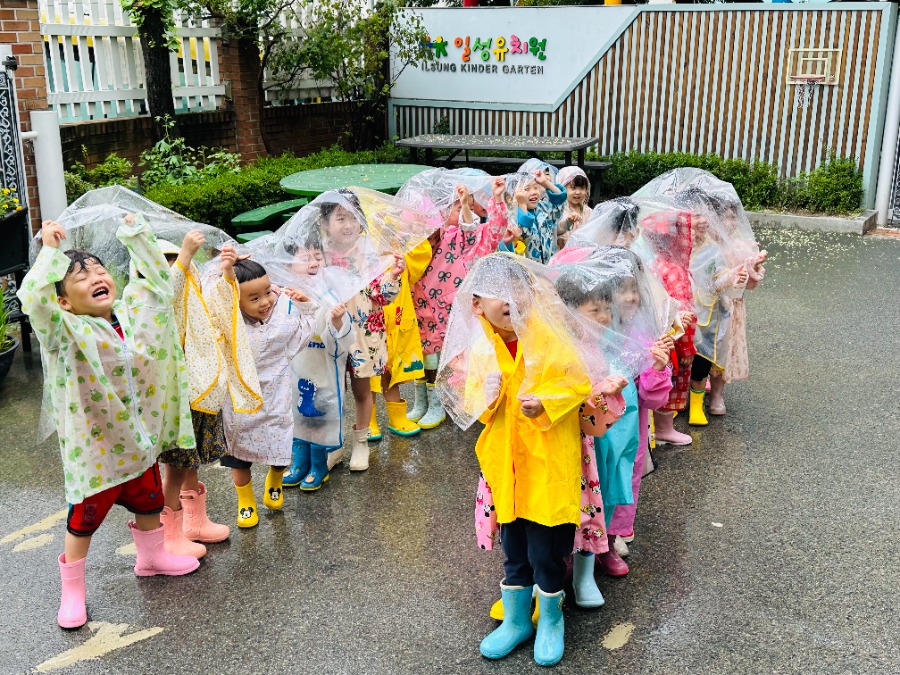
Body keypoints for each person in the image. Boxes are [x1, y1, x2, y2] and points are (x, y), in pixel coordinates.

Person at [18, 218, 200, 629]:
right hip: (96, 456)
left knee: (150, 499)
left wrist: (136, 236)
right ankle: (73, 591)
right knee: (82, 520)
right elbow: (34, 301)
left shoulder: (132, 317)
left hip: (138, 445)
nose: (97, 277)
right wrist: (49, 252)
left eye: (101, 271)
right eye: (81, 277)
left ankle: (152, 558)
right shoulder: (64, 332)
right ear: (63, 301)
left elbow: (157, 286)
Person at [438, 253, 591, 667]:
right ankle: (518, 620)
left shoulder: (547, 336)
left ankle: (551, 621)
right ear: (476, 303)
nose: (510, 302)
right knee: (515, 547)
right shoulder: (481, 347)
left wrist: (546, 401)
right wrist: (485, 397)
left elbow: (577, 382)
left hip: (547, 463)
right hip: (507, 466)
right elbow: (475, 408)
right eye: (498, 295)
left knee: (546, 549)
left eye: (518, 292)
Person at [155, 232, 262, 557]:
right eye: (171, 267)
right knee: (175, 464)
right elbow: (164, 300)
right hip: (177, 392)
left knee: (192, 460)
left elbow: (215, 305)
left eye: (182, 266)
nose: (182, 272)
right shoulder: (147, 300)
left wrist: (228, 272)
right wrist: (185, 255)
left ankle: (194, 521)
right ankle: (167, 535)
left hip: (200, 384)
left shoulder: (192, 288)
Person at [214, 245, 318, 528]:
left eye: (268, 292)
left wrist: (306, 305)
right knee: (237, 455)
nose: (265, 302)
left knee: (280, 442)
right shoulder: (228, 321)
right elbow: (213, 297)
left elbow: (305, 332)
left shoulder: (283, 316)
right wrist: (224, 268)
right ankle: (245, 500)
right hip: (238, 400)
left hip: (276, 395)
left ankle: (275, 480)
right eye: (254, 297)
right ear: (235, 299)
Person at [411, 178, 511, 430]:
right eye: (453, 208)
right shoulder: (425, 242)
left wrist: (479, 202)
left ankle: (439, 403)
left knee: (444, 360)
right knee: (423, 358)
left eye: (461, 207)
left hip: (448, 311)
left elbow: (475, 229)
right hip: (423, 309)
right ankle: (422, 399)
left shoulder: (458, 237)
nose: (457, 212)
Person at [515, 165, 568, 264]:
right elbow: (525, 234)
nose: (534, 192)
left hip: (549, 266)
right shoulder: (515, 214)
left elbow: (560, 202)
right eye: (527, 189)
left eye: (536, 187)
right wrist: (522, 204)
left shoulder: (543, 208)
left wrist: (545, 183)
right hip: (529, 271)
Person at [555, 166, 592, 249]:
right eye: (573, 188)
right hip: (563, 254)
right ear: (562, 188)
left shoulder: (587, 211)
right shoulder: (559, 210)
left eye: (582, 188)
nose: (578, 192)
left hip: (583, 252)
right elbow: (557, 229)